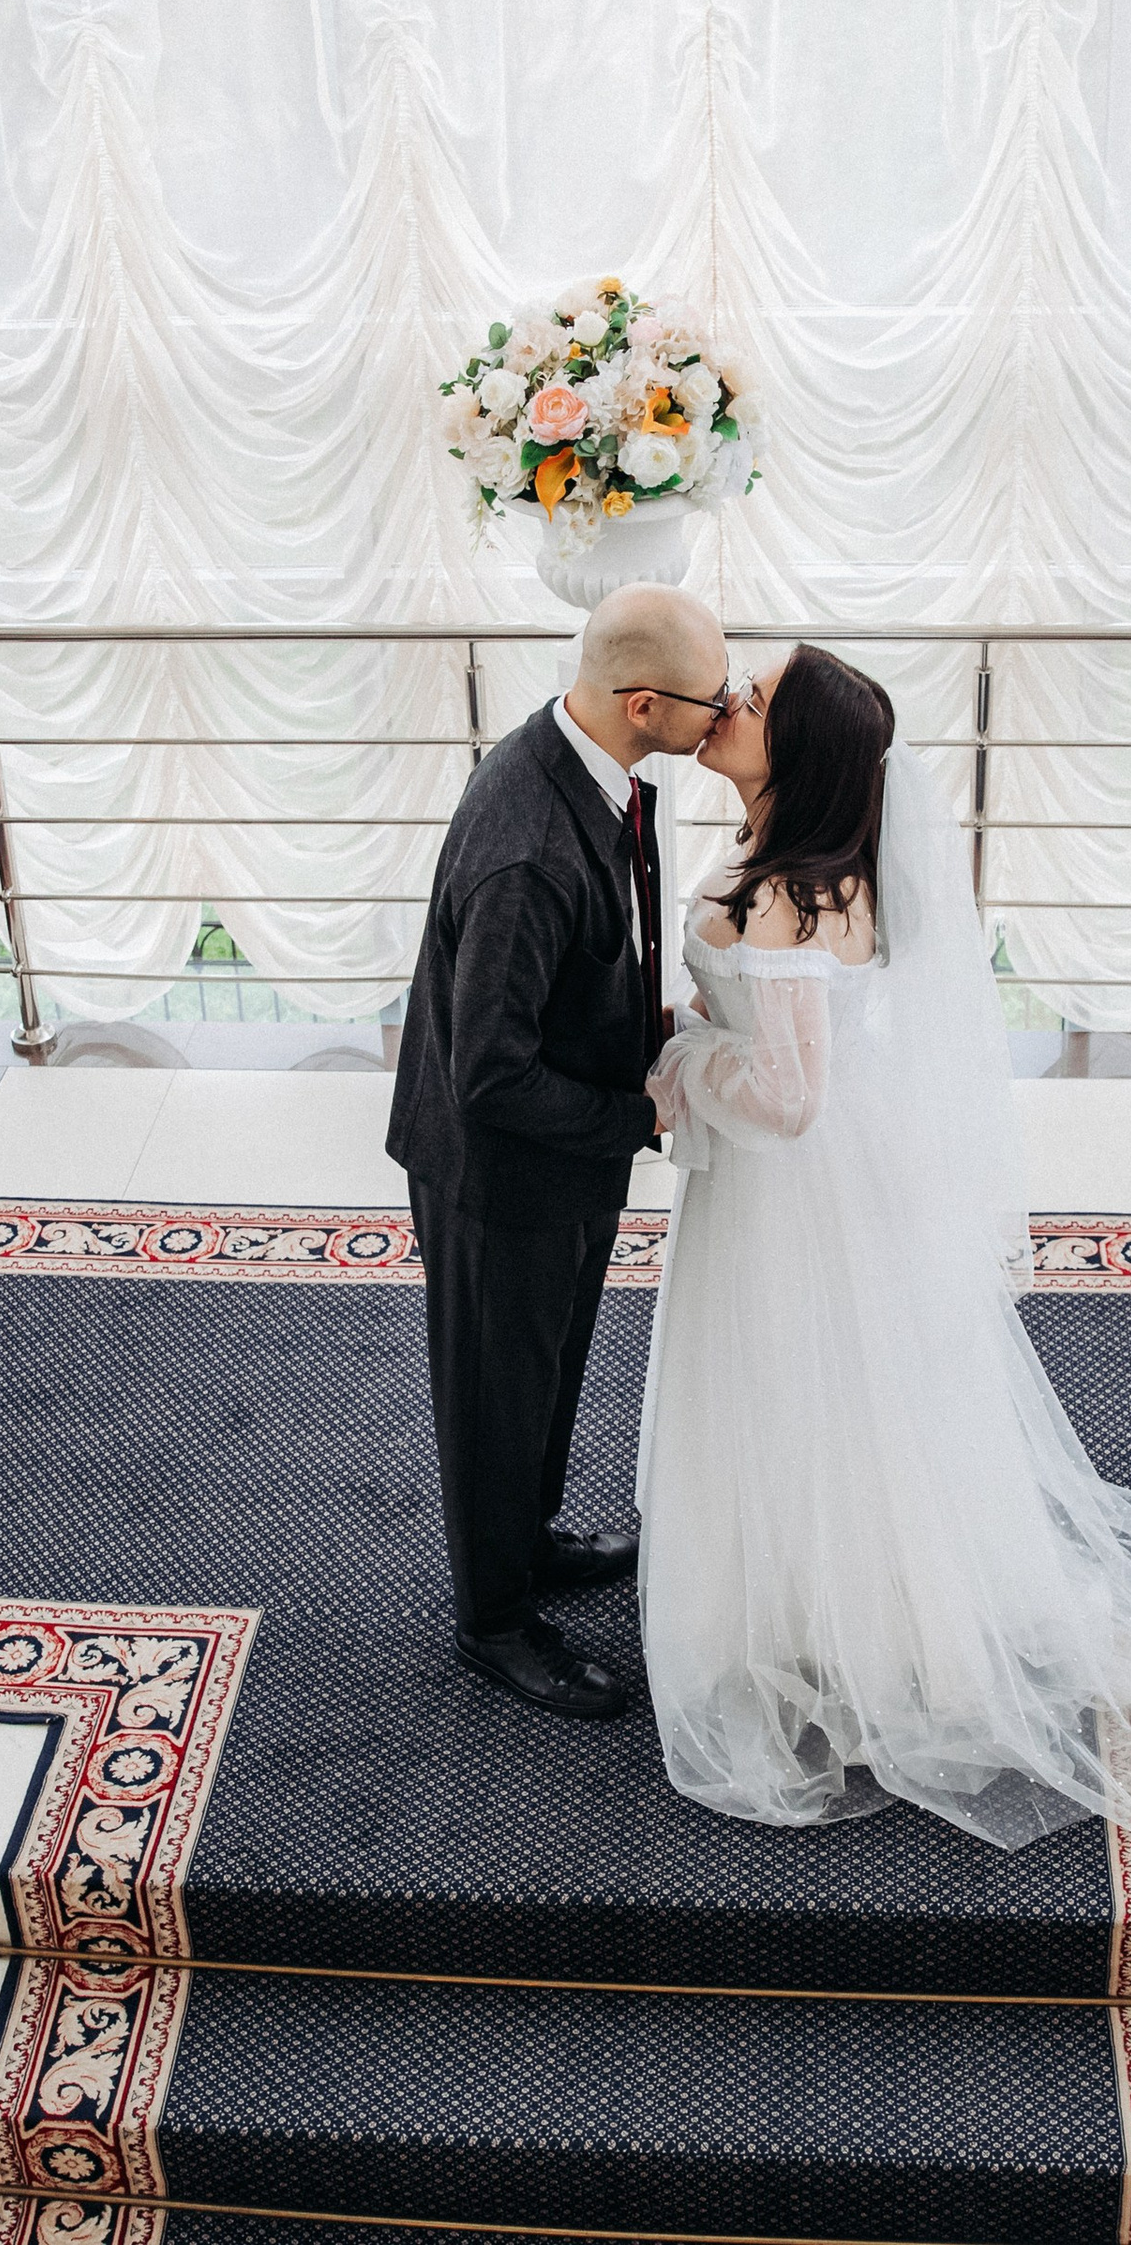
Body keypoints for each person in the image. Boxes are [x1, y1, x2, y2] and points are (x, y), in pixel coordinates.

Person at [640, 645, 1131, 1845]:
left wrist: (674, 1062)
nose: (728, 704)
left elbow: (786, 1099)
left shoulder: (769, 896)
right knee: (871, 1399)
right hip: (855, 1183)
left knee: (795, 1387)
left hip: (796, 1190)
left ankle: (818, 1629)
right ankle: (867, 1611)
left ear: (797, 749)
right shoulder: (827, 876)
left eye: (753, 699)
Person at [388, 582, 733, 1718]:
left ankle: (527, 1542)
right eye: (708, 698)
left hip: (559, 1158)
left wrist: (654, 1032)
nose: (721, 711)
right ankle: (494, 1622)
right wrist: (641, 1113)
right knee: (495, 1394)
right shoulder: (528, 848)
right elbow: (488, 1076)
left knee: (540, 1374)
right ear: (644, 704)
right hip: (500, 1177)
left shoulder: (585, 759)